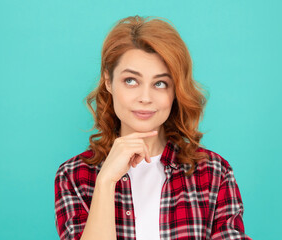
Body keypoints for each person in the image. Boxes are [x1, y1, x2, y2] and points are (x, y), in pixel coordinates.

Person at [54, 15, 251, 240]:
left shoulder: (214, 173)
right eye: (131, 80)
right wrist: (106, 181)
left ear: (175, 91)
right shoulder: (74, 176)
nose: (145, 98)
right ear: (108, 81)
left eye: (160, 83)